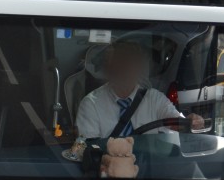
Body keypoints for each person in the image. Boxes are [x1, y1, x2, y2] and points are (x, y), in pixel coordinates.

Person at [75, 38, 204, 140]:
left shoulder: (155, 99)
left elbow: (175, 121)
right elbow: (88, 150)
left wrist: (190, 122)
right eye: (121, 61)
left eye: (132, 62)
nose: (126, 68)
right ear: (111, 67)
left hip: (150, 169)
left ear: (139, 68)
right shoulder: (91, 104)